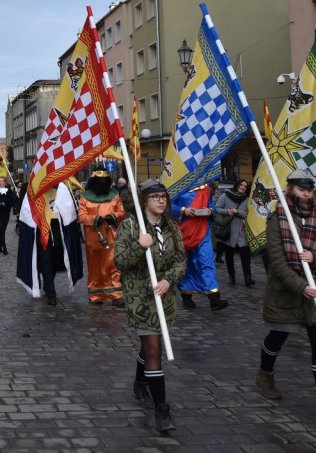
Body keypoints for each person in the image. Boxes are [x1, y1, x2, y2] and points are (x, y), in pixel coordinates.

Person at [255, 169, 316, 424]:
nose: (306, 194)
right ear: (290, 190)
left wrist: (314, 258)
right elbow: (278, 261)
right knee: (277, 337)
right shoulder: (278, 218)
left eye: (309, 190)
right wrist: (300, 286)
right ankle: (265, 374)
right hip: (286, 292)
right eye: (300, 189)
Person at [113, 179, 186, 433]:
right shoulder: (131, 226)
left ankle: (139, 382)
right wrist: (139, 245)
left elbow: (180, 260)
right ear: (144, 200)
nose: (161, 200)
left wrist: (168, 279)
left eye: (163, 196)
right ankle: (162, 409)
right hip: (140, 298)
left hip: (164, 296)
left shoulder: (172, 227)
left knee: (149, 347)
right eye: (155, 197)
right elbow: (120, 261)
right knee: (154, 349)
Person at [16, 182, 84, 306]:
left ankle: (48, 285)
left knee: (55, 259)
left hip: (57, 230)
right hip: (41, 230)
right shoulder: (34, 186)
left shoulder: (61, 187)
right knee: (45, 259)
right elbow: (26, 209)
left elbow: (68, 210)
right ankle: (51, 294)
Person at [171, 183, 228, 311]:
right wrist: (183, 210)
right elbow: (168, 206)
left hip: (202, 230)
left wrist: (210, 210)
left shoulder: (205, 186)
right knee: (186, 264)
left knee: (206, 260)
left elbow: (211, 204)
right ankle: (186, 294)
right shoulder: (178, 183)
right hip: (183, 231)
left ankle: (214, 298)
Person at [78, 169, 126, 306]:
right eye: (98, 181)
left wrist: (115, 217)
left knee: (113, 263)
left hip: (111, 235)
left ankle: (116, 295)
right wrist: (94, 219)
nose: (101, 183)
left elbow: (121, 211)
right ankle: (96, 293)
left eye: (103, 181)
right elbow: (81, 215)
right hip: (94, 237)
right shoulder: (85, 197)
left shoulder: (115, 195)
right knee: (95, 265)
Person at [216, 179, 253, 286]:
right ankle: (231, 276)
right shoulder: (225, 195)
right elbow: (216, 209)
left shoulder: (246, 199)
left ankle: (248, 278)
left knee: (245, 256)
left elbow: (248, 214)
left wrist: (238, 212)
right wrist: (227, 211)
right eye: (241, 185)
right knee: (229, 256)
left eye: (245, 186)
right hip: (229, 231)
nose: (242, 187)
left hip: (242, 232)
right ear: (237, 185)